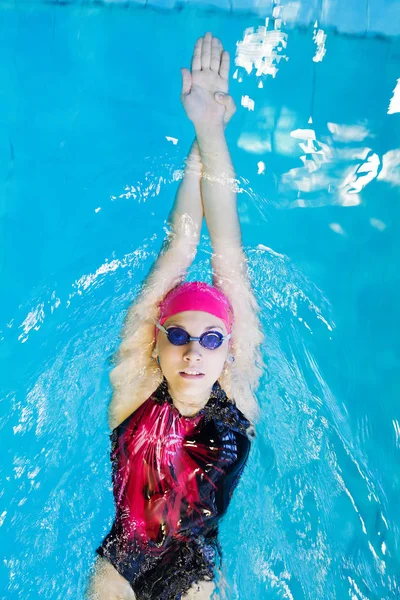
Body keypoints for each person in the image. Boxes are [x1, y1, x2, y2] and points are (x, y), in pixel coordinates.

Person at [86, 32, 264, 600]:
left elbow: (227, 253)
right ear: (156, 342)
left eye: (211, 339)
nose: (194, 352)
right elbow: (180, 249)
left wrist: (209, 132)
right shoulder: (132, 387)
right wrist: (200, 135)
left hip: (194, 565)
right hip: (123, 559)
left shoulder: (237, 393)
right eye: (180, 335)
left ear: (228, 348)